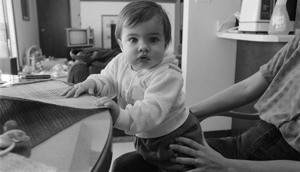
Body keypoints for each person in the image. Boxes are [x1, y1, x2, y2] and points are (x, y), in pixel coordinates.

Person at [112, 33, 300, 172]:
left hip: (273, 164)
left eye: (153, 39)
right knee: (126, 165)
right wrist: (189, 115)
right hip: (246, 142)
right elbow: (247, 86)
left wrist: (227, 166)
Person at [61, 0, 202, 172]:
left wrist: (120, 116)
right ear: (121, 44)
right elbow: (108, 79)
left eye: (153, 39)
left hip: (175, 138)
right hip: (146, 133)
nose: (143, 47)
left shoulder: (168, 75)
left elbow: (151, 111)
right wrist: (92, 83)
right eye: (133, 39)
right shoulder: (120, 61)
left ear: (165, 44)